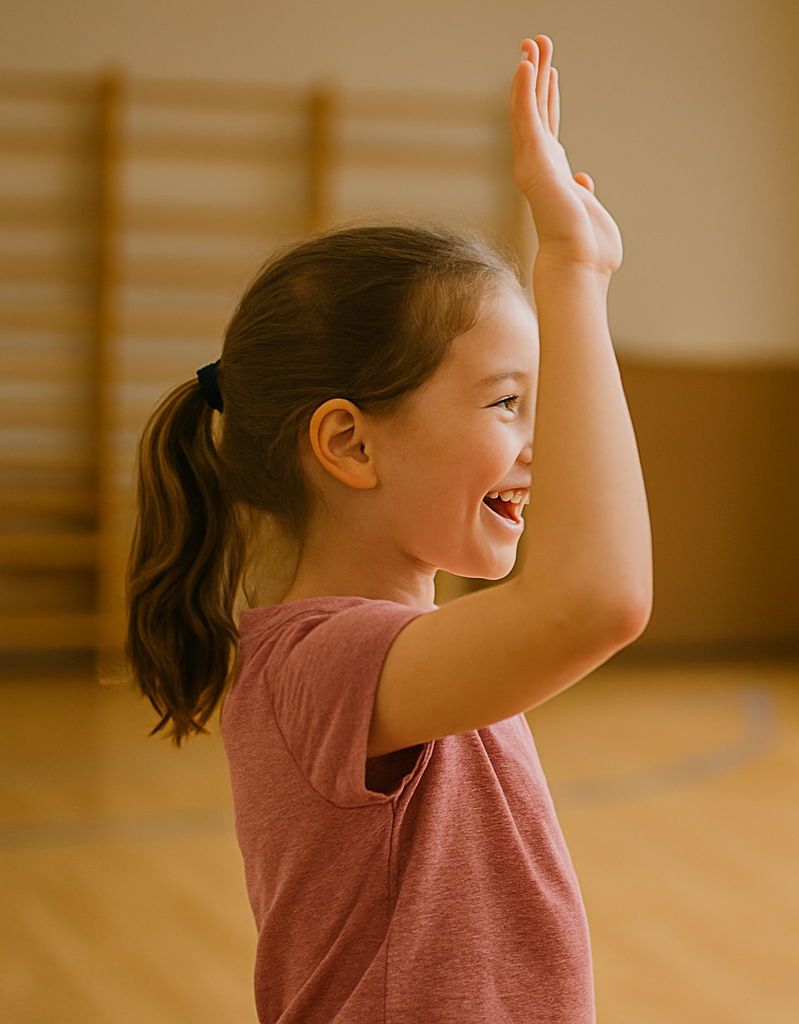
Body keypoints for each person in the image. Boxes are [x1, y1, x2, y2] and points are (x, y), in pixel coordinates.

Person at [124, 36, 649, 1023]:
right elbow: (597, 598)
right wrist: (573, 276)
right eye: (505, 404)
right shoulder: (322, 664)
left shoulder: (387, 653)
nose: (539, 445)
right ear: (351, 446)